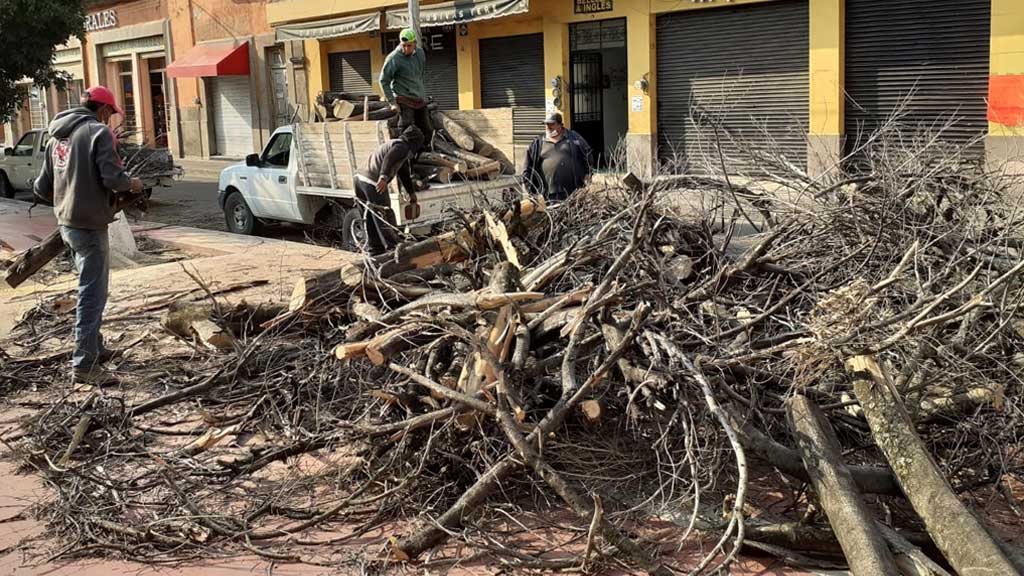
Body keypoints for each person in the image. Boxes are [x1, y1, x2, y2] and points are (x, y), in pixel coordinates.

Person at [33, 86, 144, 385]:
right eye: (111, 114)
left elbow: (41, 188)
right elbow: (113, 179)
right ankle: (84, 364)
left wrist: (67, 197)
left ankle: (95, 347)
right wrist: (133, 183)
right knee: (93, 293)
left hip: (67, 224)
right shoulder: (99, 133)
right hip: (90, 226)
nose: (110, 120)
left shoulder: (56, 134)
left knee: (90, 287)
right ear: (105, 110)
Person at [353, 125, 425, 255]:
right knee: (384, 213)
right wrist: (383, 178)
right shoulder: (402, 147)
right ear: (414, 143)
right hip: (372, 180)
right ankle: (392, 248)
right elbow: (388, 159)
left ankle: (375, 249)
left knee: (371, 215)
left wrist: (411, 193)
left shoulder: (398, 148)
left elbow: (403, 174)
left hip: (359, 179)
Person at [521, 112, 592, 201]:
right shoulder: (537, 143)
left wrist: (587, 174)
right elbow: (527, 168)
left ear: (560, 125)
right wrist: (530, 189)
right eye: (546, 124)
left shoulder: (573, 138)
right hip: (547, 195)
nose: (548, 127)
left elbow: (587, 153)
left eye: (551, 124)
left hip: (573, 192)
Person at [380, 28, 433, 143]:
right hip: (404, 99)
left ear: (415, 44)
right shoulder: (394, 58)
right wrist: (392, 102)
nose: (406, 49)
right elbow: (383, 80)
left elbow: (420, 74)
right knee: (407, 129)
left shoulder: (420, 54)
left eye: (409, 45)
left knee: (427, 129)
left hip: (419, 99)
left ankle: (423, 156)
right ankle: (405, 156)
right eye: (403, 45)